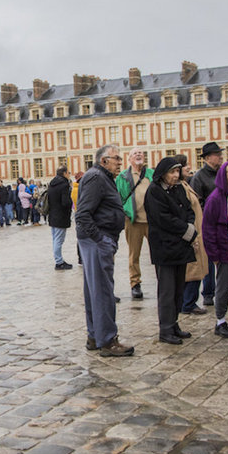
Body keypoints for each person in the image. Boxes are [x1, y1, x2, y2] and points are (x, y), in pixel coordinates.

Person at [76, 144, 133, 357]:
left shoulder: (99, 177)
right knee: (103, 292)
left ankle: (95, 336)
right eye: (116, 158)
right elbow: (82, 215)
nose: (120, 162)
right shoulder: (96, 178)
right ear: (103, 161)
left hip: (96, 240)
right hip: (97, 240)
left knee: (94, 291)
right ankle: (108, 340)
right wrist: (101, 239)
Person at [144, 157, 198, 344]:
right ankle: (165, 328)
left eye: (177, 172)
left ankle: (174, 323)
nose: (176, 176)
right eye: (172, 172)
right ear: (163, 173)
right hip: (165, 247)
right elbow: (164, 219)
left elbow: (189, 210)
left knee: (178, 289)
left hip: (180, 246)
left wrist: (189, 225)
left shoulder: (178, 188)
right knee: (167, 290)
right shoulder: (154, 191)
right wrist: (187, 230)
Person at [204, 160, 228, 338]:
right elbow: (208, 229)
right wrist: (214, 254)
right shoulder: (215, 199)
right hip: (224, 251)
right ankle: (220, 320)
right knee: (223, 288)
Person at [115, 148, 154, 300]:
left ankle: (162, 278)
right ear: (129, 158)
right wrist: (125, 213)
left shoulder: (151, 174)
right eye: (135, 154)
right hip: (133, 221)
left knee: (158, 252)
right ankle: (135, 283)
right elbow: (118, 197)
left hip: (152, 221)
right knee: (134, 254)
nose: (138, 155)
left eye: (141, 153)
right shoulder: (123, 177)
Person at [174, 154, 209, 316]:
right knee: (192, 270)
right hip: (192, 234)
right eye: (185, 165)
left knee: (196, 268)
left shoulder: (185, 185)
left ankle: (189, 301)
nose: (189, 167)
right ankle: (188, 303)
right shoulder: (180, 187)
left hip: (197, 232)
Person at [192, 142, 223, 306]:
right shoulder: (199, 177)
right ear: (208, 158)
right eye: (217, 154)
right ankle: (208, 292)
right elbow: (197, 202)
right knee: (209, 259)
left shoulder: (221, 173)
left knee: (224, 257)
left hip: (223, 223)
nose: (220, 157)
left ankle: (224, 289)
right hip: (207, 223)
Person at [48, 167, 74, 270]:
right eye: (68, 172)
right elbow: (65, 202)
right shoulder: (64, 185)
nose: (69, 174)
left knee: (55, 239)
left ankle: (59, 260)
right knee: (59, 240)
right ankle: (59, 262)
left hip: (53, 214)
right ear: (64, 173)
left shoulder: (51, 184)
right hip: (61, 216)